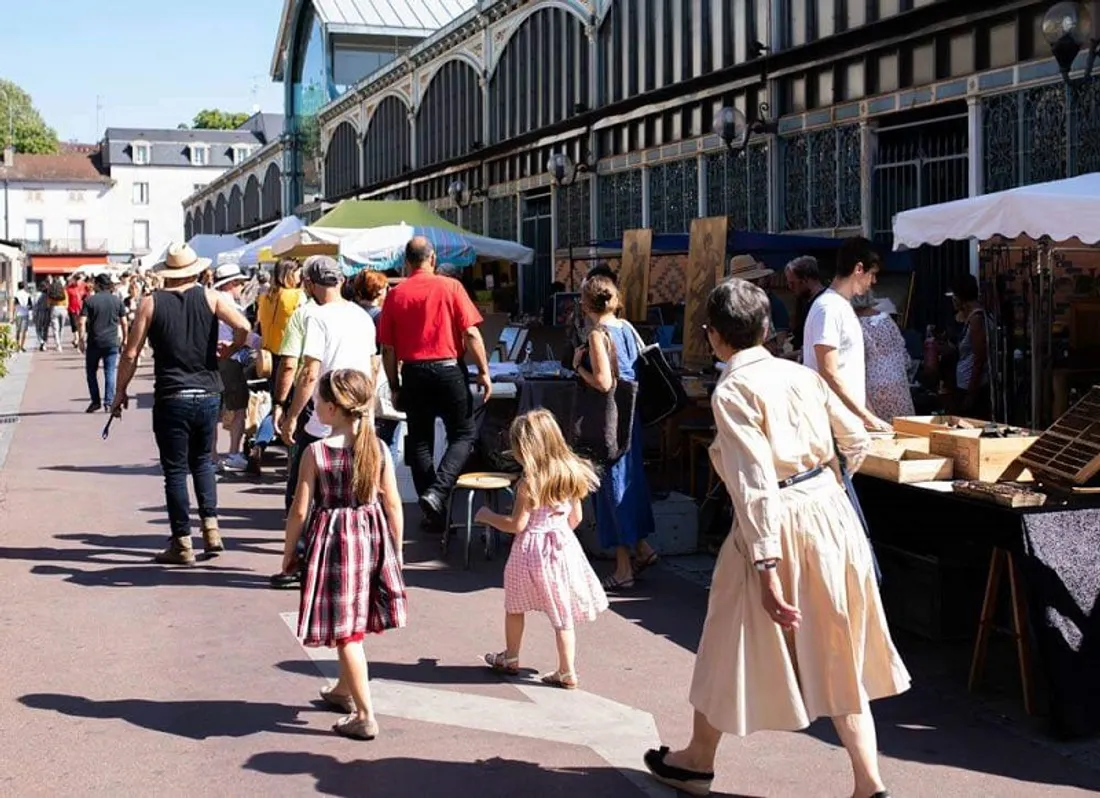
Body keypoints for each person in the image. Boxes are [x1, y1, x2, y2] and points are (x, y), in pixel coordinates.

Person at [643, 278, 909, 798]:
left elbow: (754, 481)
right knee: (839, 642)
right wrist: (826, 485)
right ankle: (867, 782)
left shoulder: (733, 389)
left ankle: (698, 760)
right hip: (830, 511)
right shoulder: (801, 375)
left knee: (726, 637)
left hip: (777, 521)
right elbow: (854, 440)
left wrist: (767, 564)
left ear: (714, 335)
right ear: (767, 328)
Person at [282, 369, 406, 741]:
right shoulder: (377, 448)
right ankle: (342, 688)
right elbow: (393, 504)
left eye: (318, 400)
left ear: (332, 408)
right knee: (352, 616)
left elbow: (299, 511)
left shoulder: (316, 452)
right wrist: (396, 553)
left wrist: (288, 553)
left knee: (347, 630)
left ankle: (365, 714)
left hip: (335, 542)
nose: (314, 406)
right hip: (371, 537)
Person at [110, 243, 251, 566]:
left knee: (174, 470)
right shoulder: (211, 297)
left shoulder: (150, 303)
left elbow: (131, 353)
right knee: (202, 462)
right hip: (207, 392)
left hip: (172, 394)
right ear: (193, 270)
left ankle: (182, 542)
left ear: (167, 273)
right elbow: (244, 327)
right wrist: (231, 349)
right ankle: (212, 530)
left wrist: (120, 392)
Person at [477, 409, 608, 689]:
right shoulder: (571, 473)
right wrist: (558, 533)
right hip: (562, 547)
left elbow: (517, 524)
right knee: (562, 613)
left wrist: (487, 515)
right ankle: (567, 670)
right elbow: (577, 519)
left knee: (515, 604)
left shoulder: (529, 482)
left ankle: (511, 656)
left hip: (529, 551)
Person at [378, 237, 492, 529]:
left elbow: (388, 349)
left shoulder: (395, 294)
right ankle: (438, 492)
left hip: (414, 371)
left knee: (419, 440)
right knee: (464, 434)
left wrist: (394, 384)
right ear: (432, 259)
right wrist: (483, 370)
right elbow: (471, 334)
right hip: (449, 368)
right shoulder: (451, 286)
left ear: (406, 262)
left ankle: (433, 508)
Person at [572, 275, 657, 590]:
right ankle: (643, 549)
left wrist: (578, 368)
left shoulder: (598, 334)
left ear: (586, 303)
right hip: (630, 416)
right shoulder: (625, 327)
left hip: (609, 420)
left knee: (612, 491)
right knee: (629, 486)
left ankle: (623, 569)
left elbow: (605, 383)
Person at [279, 255, 376, 486]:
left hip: (326, 415)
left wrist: (291, 416)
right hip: (359, 414)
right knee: (356, 484)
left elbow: (310, 373)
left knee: (302, 485)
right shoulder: (363, 316)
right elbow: (373, 366)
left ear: (310, 284)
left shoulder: (317, 316)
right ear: (340, 281)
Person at [802, 237, 890, 432]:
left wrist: (867, 413)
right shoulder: (828, 308)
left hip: (845, 425)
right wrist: (867, 416)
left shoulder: (840, 306)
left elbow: (847, 369)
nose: (873, 281)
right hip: (830, 427)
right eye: (872, 274)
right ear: (859, 269)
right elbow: (829, 372)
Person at [211, 263, 256, 471]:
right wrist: (263, 343)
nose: (241, 288)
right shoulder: (230, 307)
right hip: (230, 360)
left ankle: (212, 455)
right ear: (231, 284)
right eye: (239, 283)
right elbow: (244, 333)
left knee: (213, 410)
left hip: (210, 360)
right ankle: (233, 453)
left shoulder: (209, 303)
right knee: (238, 407)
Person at [852, 292, 915, 423]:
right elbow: (904, 357)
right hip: (899, 384)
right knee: (905, 429)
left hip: (873, 386)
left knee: (881, 433)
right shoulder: (886, 319)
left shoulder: (855, 325)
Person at [78, 273, 129, 414]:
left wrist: (81, 340)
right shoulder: (117, 301)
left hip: (95, 341)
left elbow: (81, 321)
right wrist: (125, 339)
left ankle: (95, 401)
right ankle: (108, 401)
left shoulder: (90, 301)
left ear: (98, 285)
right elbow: (124, 322)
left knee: (91, 372)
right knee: (110, 371)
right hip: (112, 342)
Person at [255, 259, 304, 396]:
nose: (301, 276)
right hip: (290, 354)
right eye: (299, 273)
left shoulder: (265, 296)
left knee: (275, 397)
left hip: (268, 355)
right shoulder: (297, 296)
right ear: (290, 274)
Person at [948, 273, 991, 419]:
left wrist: (971, 395)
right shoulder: (970, 318)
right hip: (964, 384)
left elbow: (979, 358)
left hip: (971, 388)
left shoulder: (976, 320)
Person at [784, 255, 826, 352]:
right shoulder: (805, 302)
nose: (790, 287)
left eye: (793, 283)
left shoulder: (822, 305)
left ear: (806, 280)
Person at [47, 277, 68, 352]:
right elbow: (67, 302)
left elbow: (48, 304)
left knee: (55, 329)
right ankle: (60, 342)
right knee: (61, 327)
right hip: (63, 309)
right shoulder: (63, 290)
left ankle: (58, 344)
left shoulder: (51, 291)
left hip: (54, 308)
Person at [12, 282, 32, 351]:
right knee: (24, 331)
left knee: (18, 330)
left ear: (18, 287)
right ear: (24, 287)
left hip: (18, 314)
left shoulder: (16, 295)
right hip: (25, 314)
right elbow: (30, 306)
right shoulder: (27, 294)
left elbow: (14, 305)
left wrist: (12, 316)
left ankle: (17, 346)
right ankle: (22, 346)